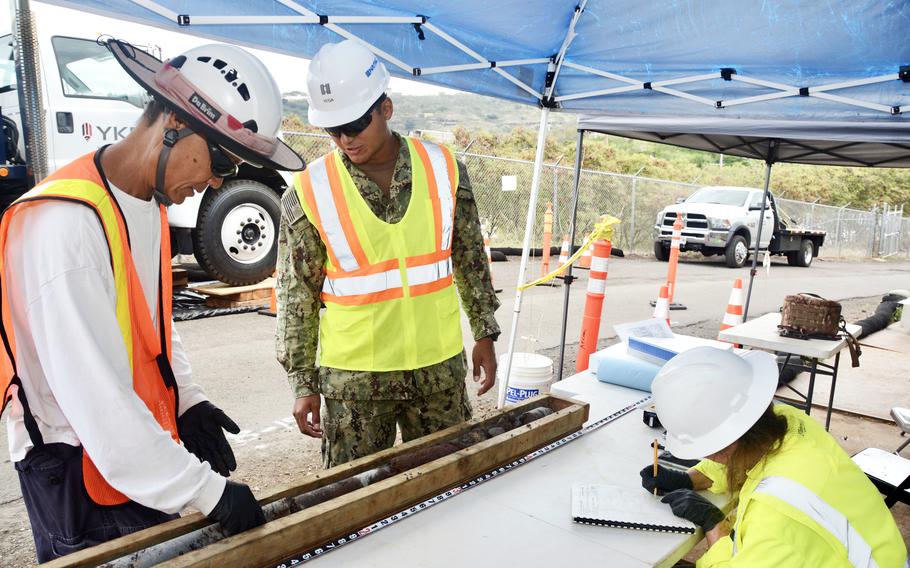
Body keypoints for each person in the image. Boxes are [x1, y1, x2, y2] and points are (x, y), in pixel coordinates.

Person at [0, 40, 304, 562]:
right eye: (221, 163)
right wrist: (208, 493)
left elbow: (152, 323)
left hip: (135, 457)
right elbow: (96, 401)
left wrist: (188, 399)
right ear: (172, 123)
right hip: (79, 470)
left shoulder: (144, 204)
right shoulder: (66, 226)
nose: (214, 182)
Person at [277, 39, 500, 468]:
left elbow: (470, 259)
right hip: (354, 383)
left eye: (356, 124)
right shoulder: (310, 190)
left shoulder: (445, 168)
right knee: (354, 508)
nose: (344, 139)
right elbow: (295, 297)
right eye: (333, 129)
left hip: (437, 372)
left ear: (386, 108)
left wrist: (484, 333)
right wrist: (302, 382)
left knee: (446, 490)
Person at [640, 347, 907, 567]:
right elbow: (743, 456)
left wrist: (715, 526)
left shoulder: (777, 516)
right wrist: (689, 479)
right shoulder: (790, 422)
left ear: (720, 447)